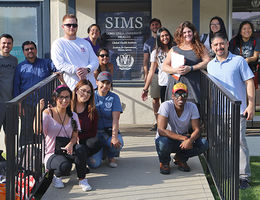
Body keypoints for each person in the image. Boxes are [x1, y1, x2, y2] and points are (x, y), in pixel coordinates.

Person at [207, 32, 255, 189]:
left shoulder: (239, 61)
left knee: (239, 143)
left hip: (237, 110)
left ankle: (243, 177)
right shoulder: (210, 65)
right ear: (212, 47)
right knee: (222, 143)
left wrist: (251, 105)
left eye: (222, 43)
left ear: (227, 43)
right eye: (215, 45)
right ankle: (227, 172)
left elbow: (249, 82)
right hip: (217, 112)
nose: (219, 47)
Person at [42, 85, 92, 191]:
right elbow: (37, 130)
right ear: (55, 98)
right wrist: (38, 110)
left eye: (67, 97)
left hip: (68, 150)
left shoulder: (73, 115)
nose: (64, 100)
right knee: (65, 166)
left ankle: (82, 179)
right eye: (61, 97)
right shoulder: (48, 113)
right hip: (52, 153)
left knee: (80, 149)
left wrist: (71, 144)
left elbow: (75, 136)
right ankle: (57, 177)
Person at [155, 82, 208, 175]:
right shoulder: (166, 105)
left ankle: (180, 158)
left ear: (187, 96)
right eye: (177, 94)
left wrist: (190, 140)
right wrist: (184, 138)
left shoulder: (192, 106)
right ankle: (164, 162)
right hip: (168, 139)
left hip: (184, 139)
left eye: (183, 94)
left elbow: (197, 129)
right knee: (162, 142)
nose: (180, 97)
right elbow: (161, 130)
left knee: (203, 144)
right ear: (172, 96)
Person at [162, 21, 210, 105]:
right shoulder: (174, 49)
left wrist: (191, 68)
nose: (187, 34)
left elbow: (207, 62)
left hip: (193, 87)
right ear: (180, 34)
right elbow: (164, 66)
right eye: (184, 32)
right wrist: (175, 70)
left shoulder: (200, 47)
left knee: (193, 113)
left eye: (189, 31)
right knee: (175, 114)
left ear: (193, 32)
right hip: (175, 86)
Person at [51, 14, 99, 91]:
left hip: (91, 87)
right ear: (63, 27)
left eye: (74, 25)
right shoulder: (58, 43)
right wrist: (77, 70)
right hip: (72, 88)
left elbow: (95, 61)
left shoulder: (85, 43)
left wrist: (87, 70)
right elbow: (59, 64)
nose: (71, 27)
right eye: (68, 25)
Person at [89, 71, 124, 168]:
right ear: (97, 82)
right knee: (94, 164)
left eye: (108, 83)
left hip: (107, 132)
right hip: (94, 133)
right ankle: (101, 151)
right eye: (102, 82)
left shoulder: (114, 97)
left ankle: (111, 155)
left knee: (118, 143)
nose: (105, 85)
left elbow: (115, 119)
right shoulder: (91, 95)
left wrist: (114, 137)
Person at [71, 79, 101, 166]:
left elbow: (93, 132)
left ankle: (80, 160)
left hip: (84, 139)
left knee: (95, 143)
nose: (86, 94)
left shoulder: (92, 110)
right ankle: (76, 160)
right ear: (76, 90)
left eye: (89, 92)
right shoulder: (68, 107)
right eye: (83, 90)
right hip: (69, 139)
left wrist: (79, 137)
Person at [142, 27, 174, 103]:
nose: (165, 37)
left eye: (166, 35)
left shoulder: (175, 49)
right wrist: (145, 89)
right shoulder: (155, 53)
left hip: (176, 83)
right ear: (159, 38)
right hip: (164, 83)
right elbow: (151, 71)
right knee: (166, 109)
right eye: (162, 36)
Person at [143, 18, 162, 131]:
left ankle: (166, 121)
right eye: (153, 25)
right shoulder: (148, 42)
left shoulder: (165, 39)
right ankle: (158, 122)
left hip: (166, 74)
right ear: (151, 27)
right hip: (154, 74)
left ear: (160, 26)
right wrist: (146, 75)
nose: (155, 26)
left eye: (157, 24)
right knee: (155, 99)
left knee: (167, 99)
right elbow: (145, 61)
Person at [0, 33, 18, 145]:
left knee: (11, 133)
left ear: (12, 45)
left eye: (9, 43)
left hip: (11, 103)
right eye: (4, 43)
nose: (6, 45)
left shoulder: (14, 60)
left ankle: (10, 159)